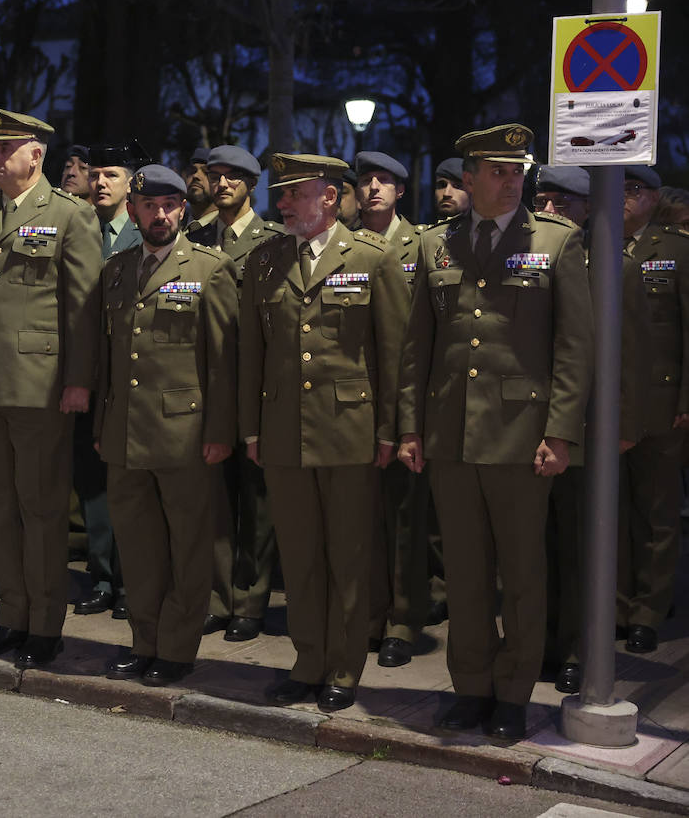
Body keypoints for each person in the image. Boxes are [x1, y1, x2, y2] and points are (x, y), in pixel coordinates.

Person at [398, 123, 592, 740]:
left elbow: (574, 346)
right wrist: (411, 428)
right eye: (497, 172)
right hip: (451, 433)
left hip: (521, 434)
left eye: (518, 172)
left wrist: (561, 431)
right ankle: (472, 687)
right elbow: (416, 351)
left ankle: (513, 693)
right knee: (465, 570)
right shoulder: (438, 245)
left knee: (522, 573)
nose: (511, 183)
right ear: (470, 177)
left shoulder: (557, 242)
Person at [241, 154, 408, 713]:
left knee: (348, 554)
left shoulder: (371, 258)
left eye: (294, 193)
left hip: (349, 430)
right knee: (300, 555)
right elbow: (251, 357)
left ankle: (343, 666)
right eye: (280, 193)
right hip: (284, 430)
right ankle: (307, 660)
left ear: (331, 198)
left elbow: (393, 354)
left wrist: (390, 431)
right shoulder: (265, 261)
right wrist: (251, 429)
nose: (282, 203)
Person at [0, 107, 102, 669]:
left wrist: (79, 381)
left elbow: (83, 308)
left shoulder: (68, 215)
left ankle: (44, 624)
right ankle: (10, 617)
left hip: (40, 385)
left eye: (4, 148)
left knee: (39, 509)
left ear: (35, 155)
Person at [96, 164, 237, 687]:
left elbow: (224, 362)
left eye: (170, 205)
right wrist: (102, 423)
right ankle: (144, 641)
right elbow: (107, 359)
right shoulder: (116, 269)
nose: (160, 214)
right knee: (138, 548)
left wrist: (220, 432)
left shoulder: (210, 269)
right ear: (133, 209)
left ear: (183, 209)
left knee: (189, 547)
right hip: (124, 433)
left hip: (186, 434)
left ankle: (177, 650)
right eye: (150, 205)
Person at [532, 164, 650, 693]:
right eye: (544, 201)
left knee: (582, 546)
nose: (549, 210)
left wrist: (623, 426)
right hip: (532, 423)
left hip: (587, 429)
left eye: (561, 202)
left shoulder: (611, 266)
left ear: (586, 208)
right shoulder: (532, 259)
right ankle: (546, 644)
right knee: (537, 546)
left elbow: (630, 357)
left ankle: (580, 649)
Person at [188, 144, 284, 643]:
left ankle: (250, 600)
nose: (221, 184)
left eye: (233, 178)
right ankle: (218, 597)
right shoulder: (194, 237)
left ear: (251, 185)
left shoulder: (273, 241)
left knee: (257, 500)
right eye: (215, 176)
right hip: (202, 384)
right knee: (212, 500)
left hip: (255, 383)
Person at [354, 150, 431, 668]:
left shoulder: (422, 245)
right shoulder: (345, 244)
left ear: (401, 191)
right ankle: (368, 615)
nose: (374, 189)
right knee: (361, 519)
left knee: (405, 519)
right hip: (354, 398)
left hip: (407, 391)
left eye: (385, 181)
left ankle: (403, 621)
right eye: (366, 181)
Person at [70, 141, 146, 619]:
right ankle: (101, 575)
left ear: (132, 184)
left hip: (131, 377)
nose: (99, 183)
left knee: (130, 486)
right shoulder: (76, 228)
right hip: (84, 374)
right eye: (95, 174)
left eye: (111, 175)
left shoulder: (146, 235)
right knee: (92, 485)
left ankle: (133, 579)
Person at [620, 164, 689, 655]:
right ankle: (619, 604)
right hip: (607, 403)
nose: (624, 197)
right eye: (617, 188)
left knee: (658, 510)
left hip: (662, 401)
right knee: (614, 509)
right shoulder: (591, 244)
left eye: (634, 189)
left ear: (654, 196)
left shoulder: (677, 250)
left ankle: (648, 608)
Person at [180, 147, 213, 231]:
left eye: (206, 172)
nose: (195, 176)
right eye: (192, 171)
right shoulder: (172, 226)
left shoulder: (226, 231)